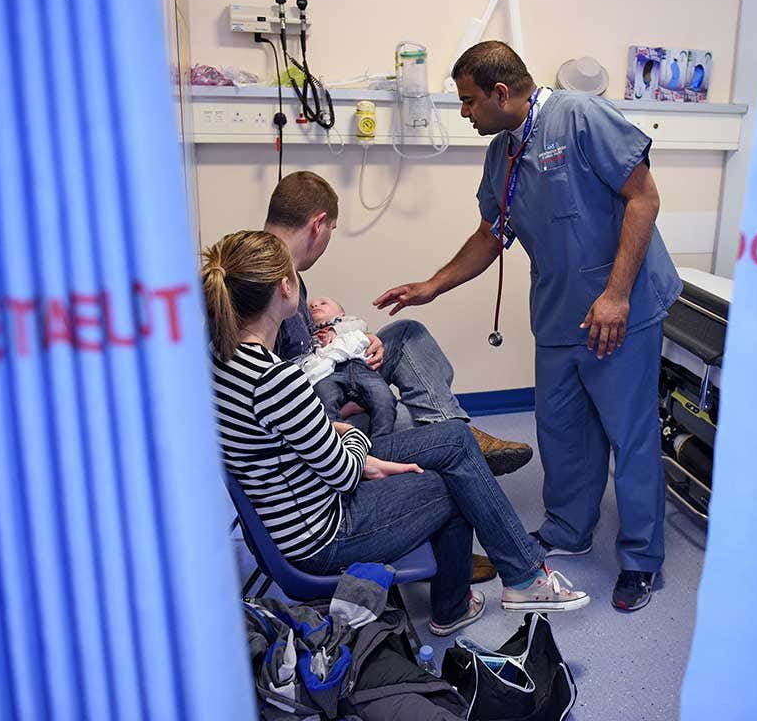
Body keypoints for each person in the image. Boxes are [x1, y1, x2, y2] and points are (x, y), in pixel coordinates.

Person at [374, 41, 682, 612]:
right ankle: (568, 529)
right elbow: (493, 233)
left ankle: (641, 559)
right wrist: (432, 285)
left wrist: (616, 296)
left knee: (630, 434)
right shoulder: (502, 154)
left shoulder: (580, 116)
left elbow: (644, 198)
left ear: (500, 93)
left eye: (468, 101)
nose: (464, 113)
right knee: (562, 428)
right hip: (561, 311)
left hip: (623, 308)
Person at [203, 230, 589, 636]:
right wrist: (345, 433)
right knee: (456, 482)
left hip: (297, 501)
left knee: (455, 440)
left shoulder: (221, 359)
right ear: (285, 287)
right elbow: (346, 473)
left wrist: (321, 428)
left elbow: (282, 440)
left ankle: (523, 576)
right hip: (323, 533)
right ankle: (462, 603)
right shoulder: (276, 379)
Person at [263, 171, 532, 479]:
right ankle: (459, 435)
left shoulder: (288, 274)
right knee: (412, 418)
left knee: (405, 334)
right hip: (321, 414)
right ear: (318, 225)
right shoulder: (268, 284)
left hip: (328, 375)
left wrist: (360, 340)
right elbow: (279, 392)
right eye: (331, 230)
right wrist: (345, 399)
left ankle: (455, 430)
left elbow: (305, 349)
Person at [300, 295, 398, 436]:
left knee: (384, 398)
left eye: (323, 303)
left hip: (359, 366)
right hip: (327, 373)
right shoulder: (307, 333)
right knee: (323, 405)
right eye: (310, 307)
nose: (315, 306)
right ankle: (335, 445)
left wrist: (335, 331)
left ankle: (382, 442)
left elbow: (361, 325)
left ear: (341, 313)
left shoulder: (347, 322)